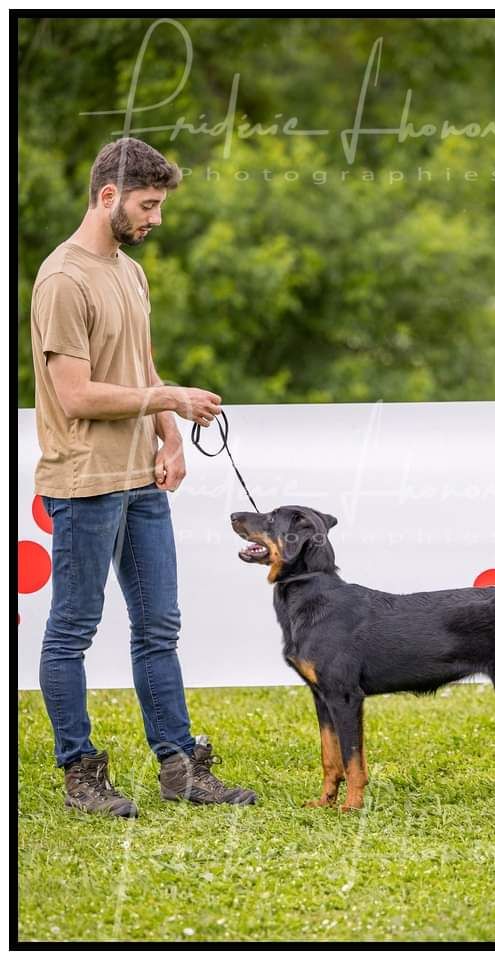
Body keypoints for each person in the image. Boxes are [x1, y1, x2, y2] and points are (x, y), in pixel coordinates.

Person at [30, 137, 256, 817]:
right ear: (108, 196)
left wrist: (171, 440)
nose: (156, 217)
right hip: (84, 482)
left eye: (159, 204)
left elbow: (141, 369)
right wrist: (170, 402)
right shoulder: (63, 280)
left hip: (140, 478)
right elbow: (74, 395)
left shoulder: (128, 271)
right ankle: (80, 774)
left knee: (159, 626)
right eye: (148, 204)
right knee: (73, 630)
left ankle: (180, 766)